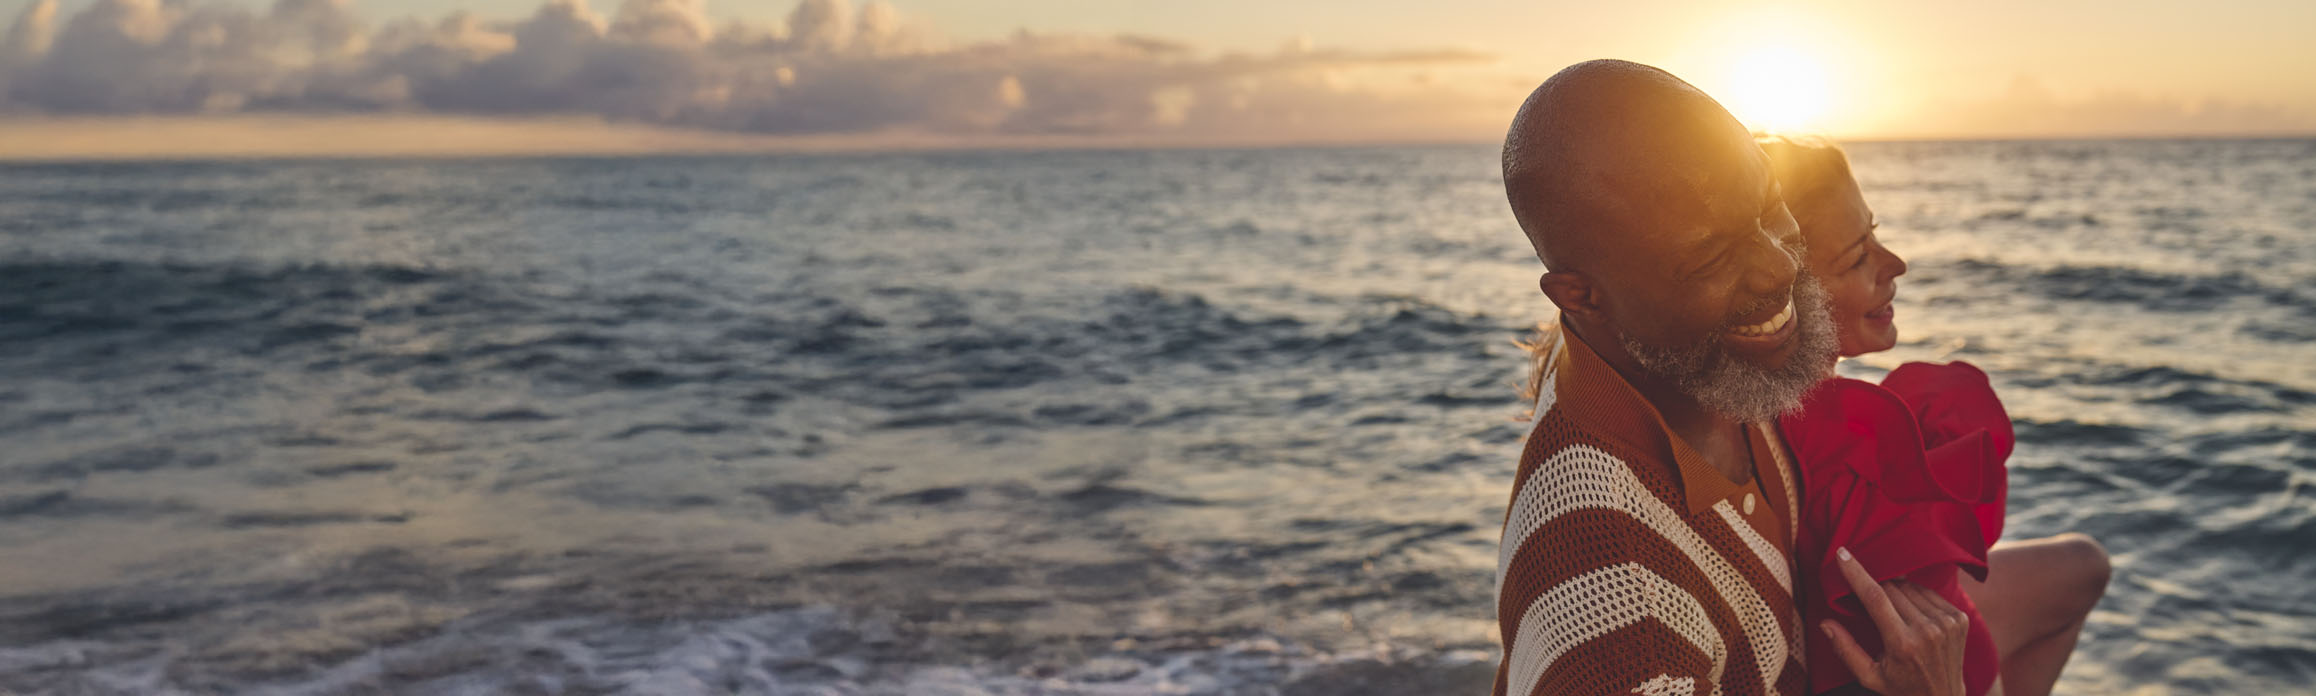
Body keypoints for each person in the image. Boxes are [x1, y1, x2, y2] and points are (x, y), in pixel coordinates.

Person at [1493, 59, 1969, 696]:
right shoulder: (1613, 616)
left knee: (2078, 567)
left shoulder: (1680, 359)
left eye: (1771, 208)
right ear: (1581, 296)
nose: (1777, 267)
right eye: (1712, 257)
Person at [1756, 134, 2111, 696]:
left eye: (1874, 234)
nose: (1895, 263)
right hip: (1923, 671)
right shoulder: (1833, 461)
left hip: (1921, 629)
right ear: (1784, 297)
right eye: (1858, 256)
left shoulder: (1783, 413)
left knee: (2083, 566)